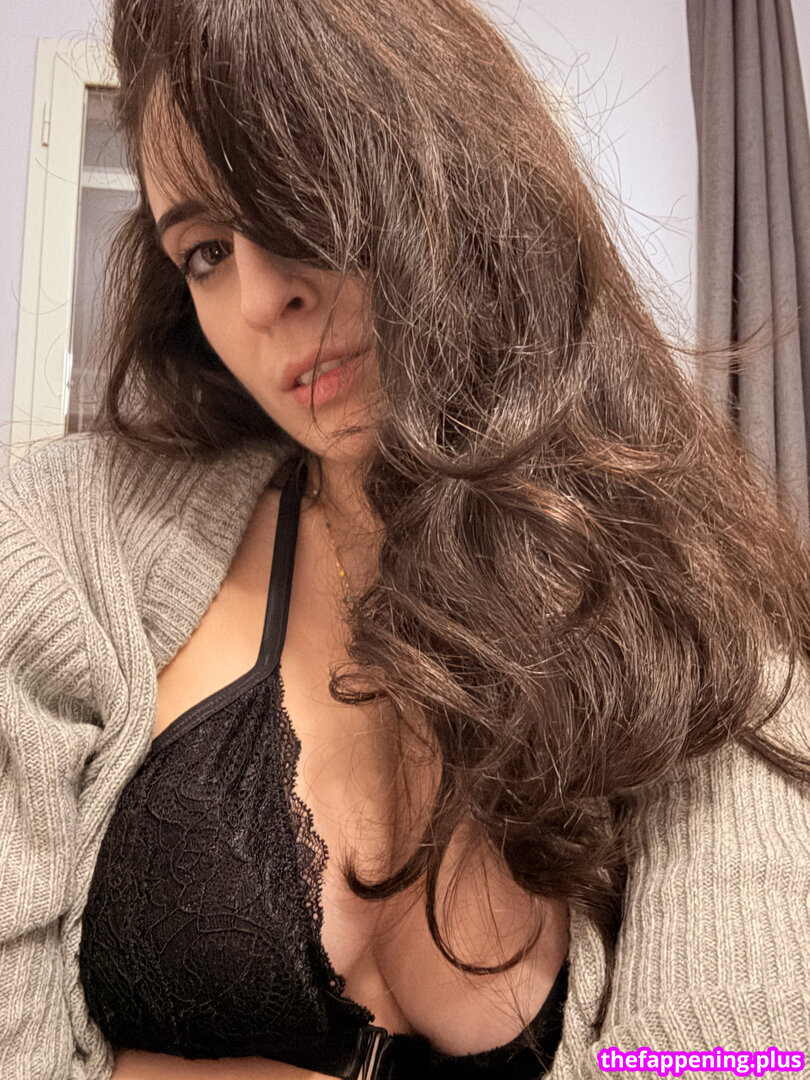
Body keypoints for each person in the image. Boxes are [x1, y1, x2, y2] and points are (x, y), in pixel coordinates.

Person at [1, 0, 809, 1078]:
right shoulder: (64, 538)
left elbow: (741, 1056)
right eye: (206, 250)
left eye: (298, 193)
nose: (262, 296)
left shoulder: (691, 602)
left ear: (453, 176)